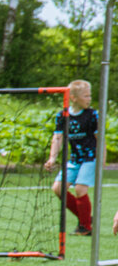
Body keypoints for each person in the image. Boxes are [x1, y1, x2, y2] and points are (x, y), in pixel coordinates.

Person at [44, 80, 98, 236]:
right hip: (74, 160)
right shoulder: (63, 115)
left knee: (80, 189)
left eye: (90, 95)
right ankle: (85, 217)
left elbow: (99, 138)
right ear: (73, 98)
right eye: (85, 96)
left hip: (90, 158)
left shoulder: (92, 115)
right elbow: (58, 137)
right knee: (58, 188)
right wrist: (52, 158)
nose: (89, 99)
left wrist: (101, 159)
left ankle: (85, 227)